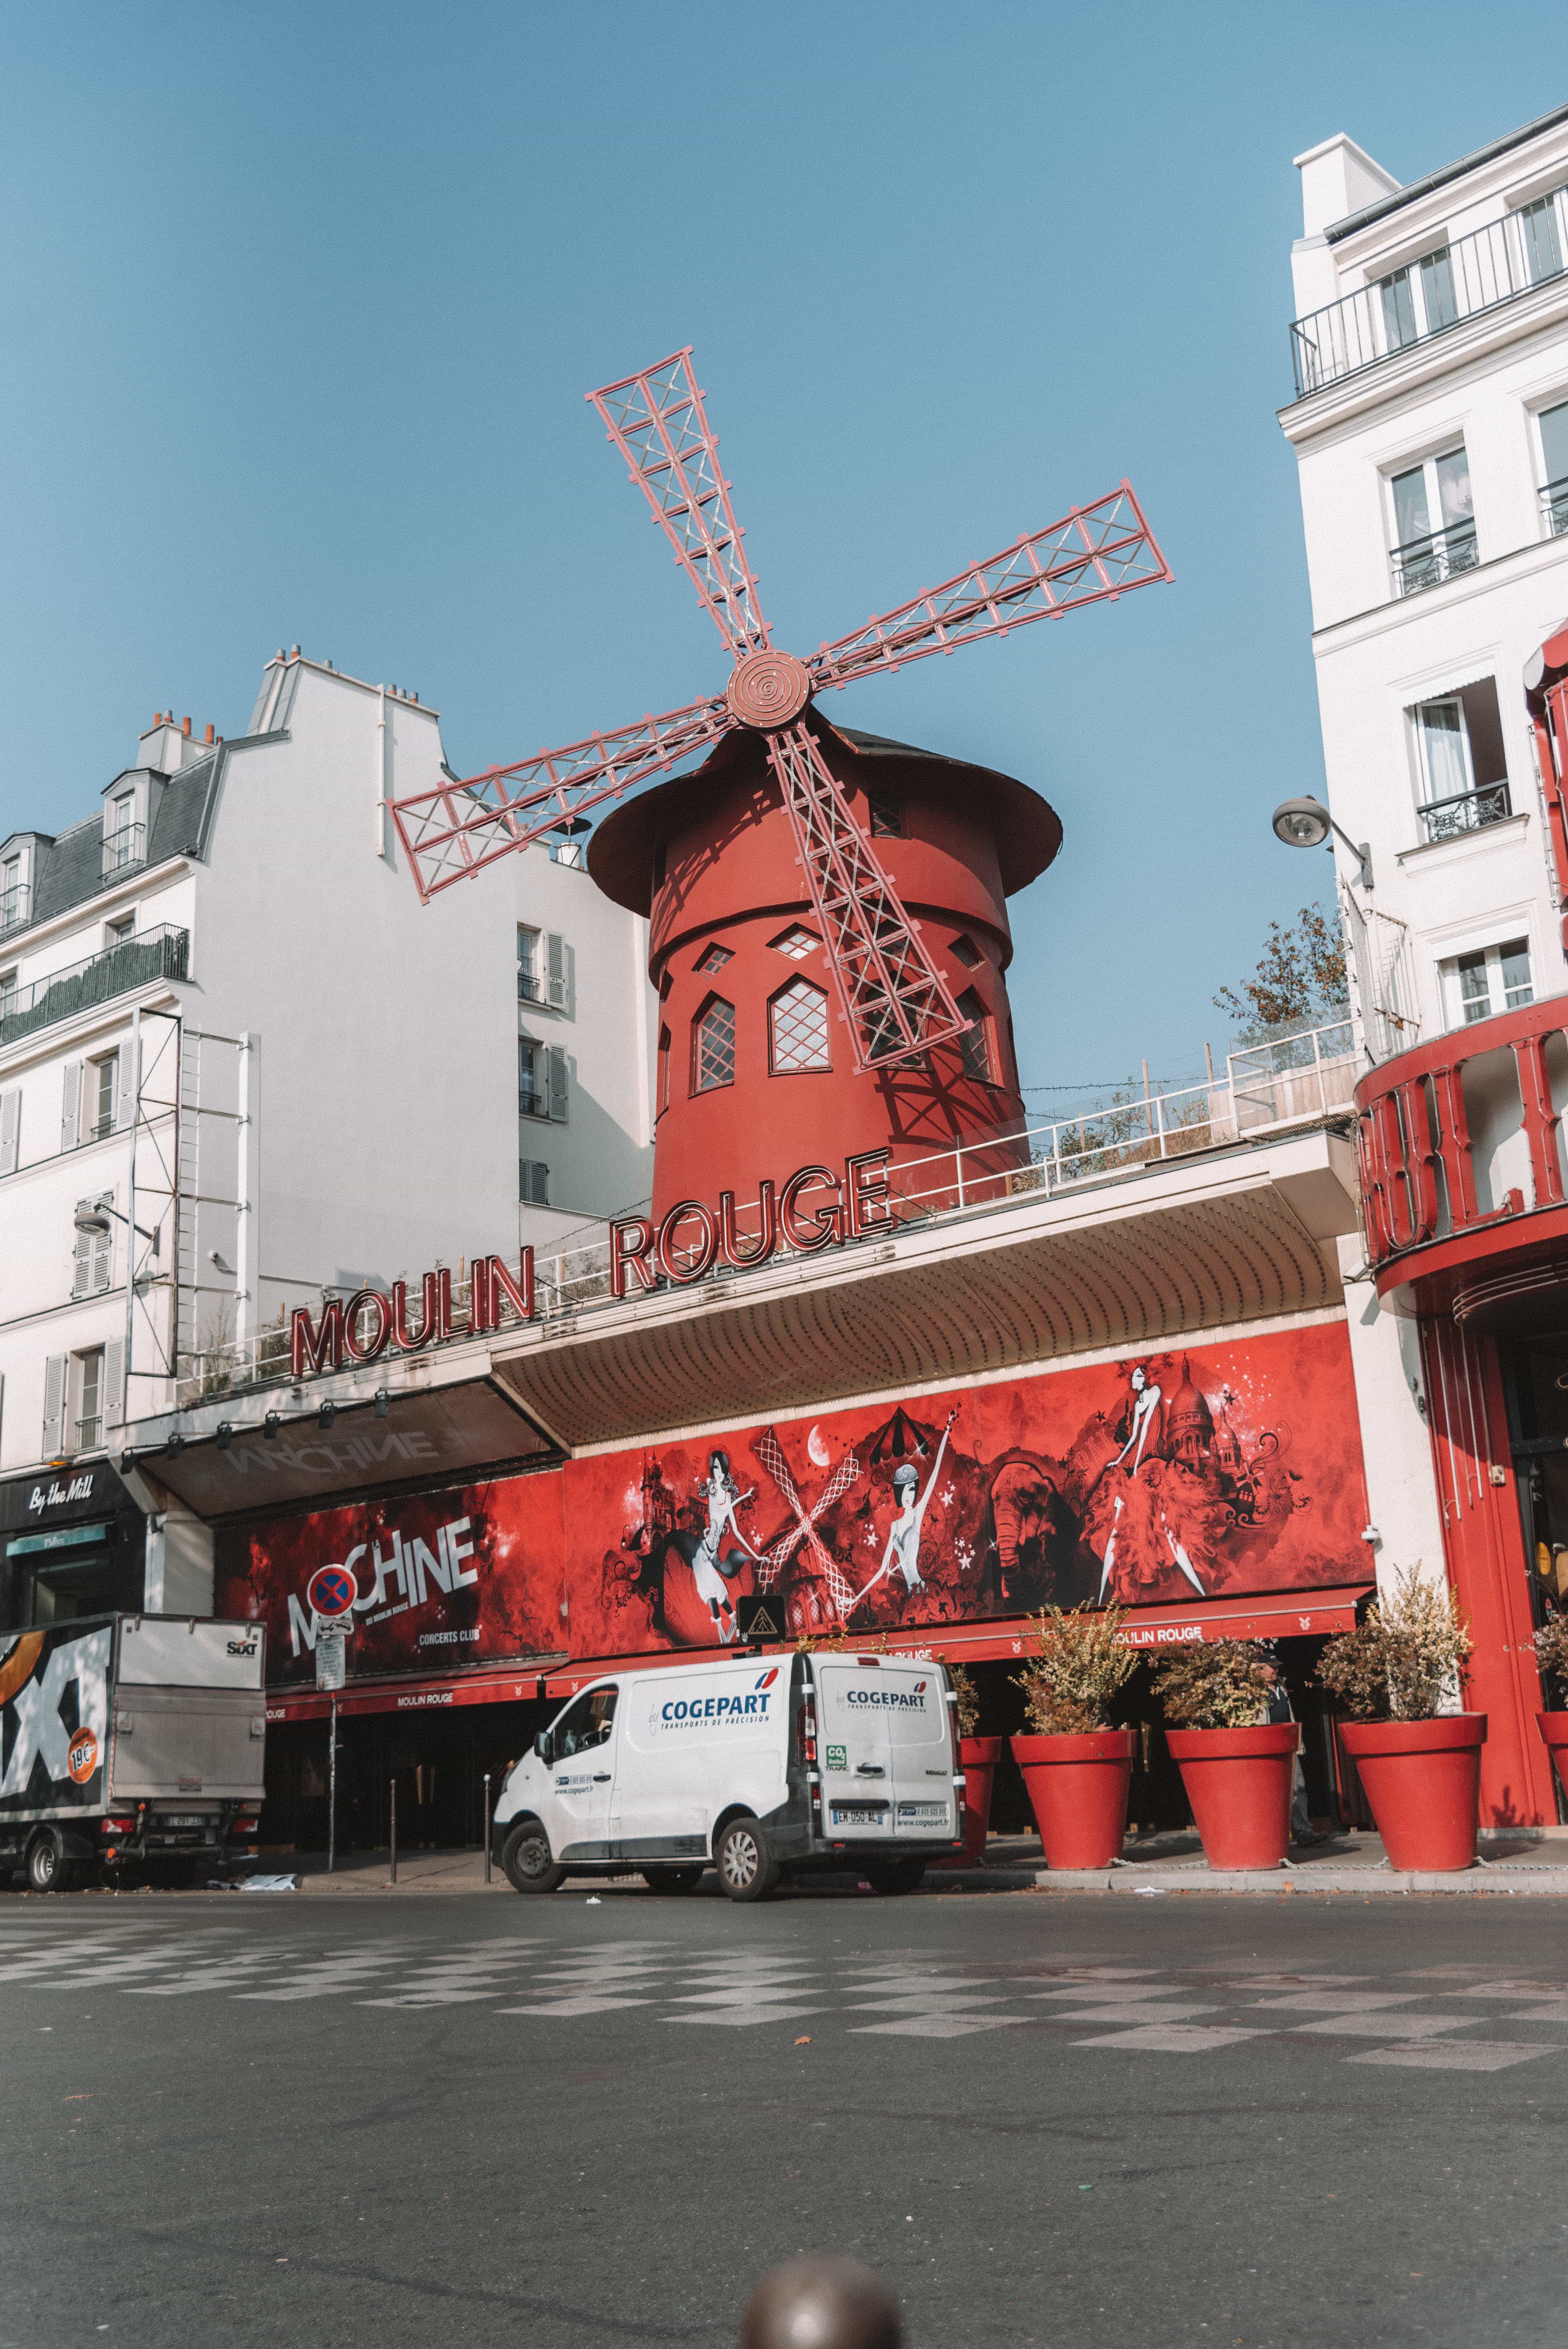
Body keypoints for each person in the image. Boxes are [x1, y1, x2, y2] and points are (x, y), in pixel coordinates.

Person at [853, 1410, 958, 1607]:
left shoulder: (918, 1515)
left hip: (923, 1589)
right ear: (899, 1493)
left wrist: (947, 1430)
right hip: (911, 1595)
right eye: (904, 1491)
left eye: (912, 1490)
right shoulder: (895, 1526)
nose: (908, 1496)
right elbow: (883, 1570)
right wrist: (857, 1599)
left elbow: (935, 1473)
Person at [1258, 1655, 1327, 1845]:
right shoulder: (1255, 1692)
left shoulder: (1281, 1688)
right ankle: (1272, 1836)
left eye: (1277, 1668)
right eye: (1272, 1668)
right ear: (1260, 1669)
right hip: (1269, 1748)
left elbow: (1290, 1716)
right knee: (1271, 1792)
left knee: (1298, 1787)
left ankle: (1303, 1832)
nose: (1276, 1671)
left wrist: (1298, 1743)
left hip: (1288, 1745)